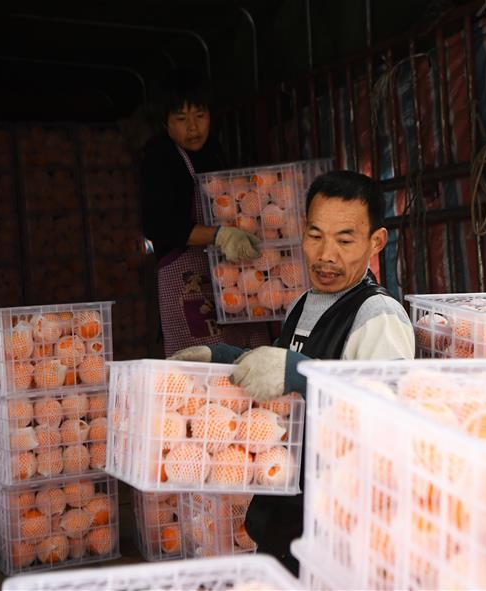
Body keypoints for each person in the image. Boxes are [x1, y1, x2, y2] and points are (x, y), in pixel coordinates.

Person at [170, 170, 415, 573]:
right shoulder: (303, 304)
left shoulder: (379, 316)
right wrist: (226, 358)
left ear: (376, 242)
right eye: (316, 236)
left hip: (339, 531)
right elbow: (281, 385)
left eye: (345, 240)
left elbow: (388, 417)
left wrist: (300, 372)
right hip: (287, 519)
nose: (326, 254)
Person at [140, 72, 271, 357]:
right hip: (187, 284)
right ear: (165, 122)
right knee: (200, 366)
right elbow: (158, 225)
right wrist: (220, 236)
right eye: (181, 119)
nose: (193, 127)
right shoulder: (159, 156)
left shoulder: (214, 150)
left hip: (232, 282)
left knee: (249, 362)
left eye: (200, 116)